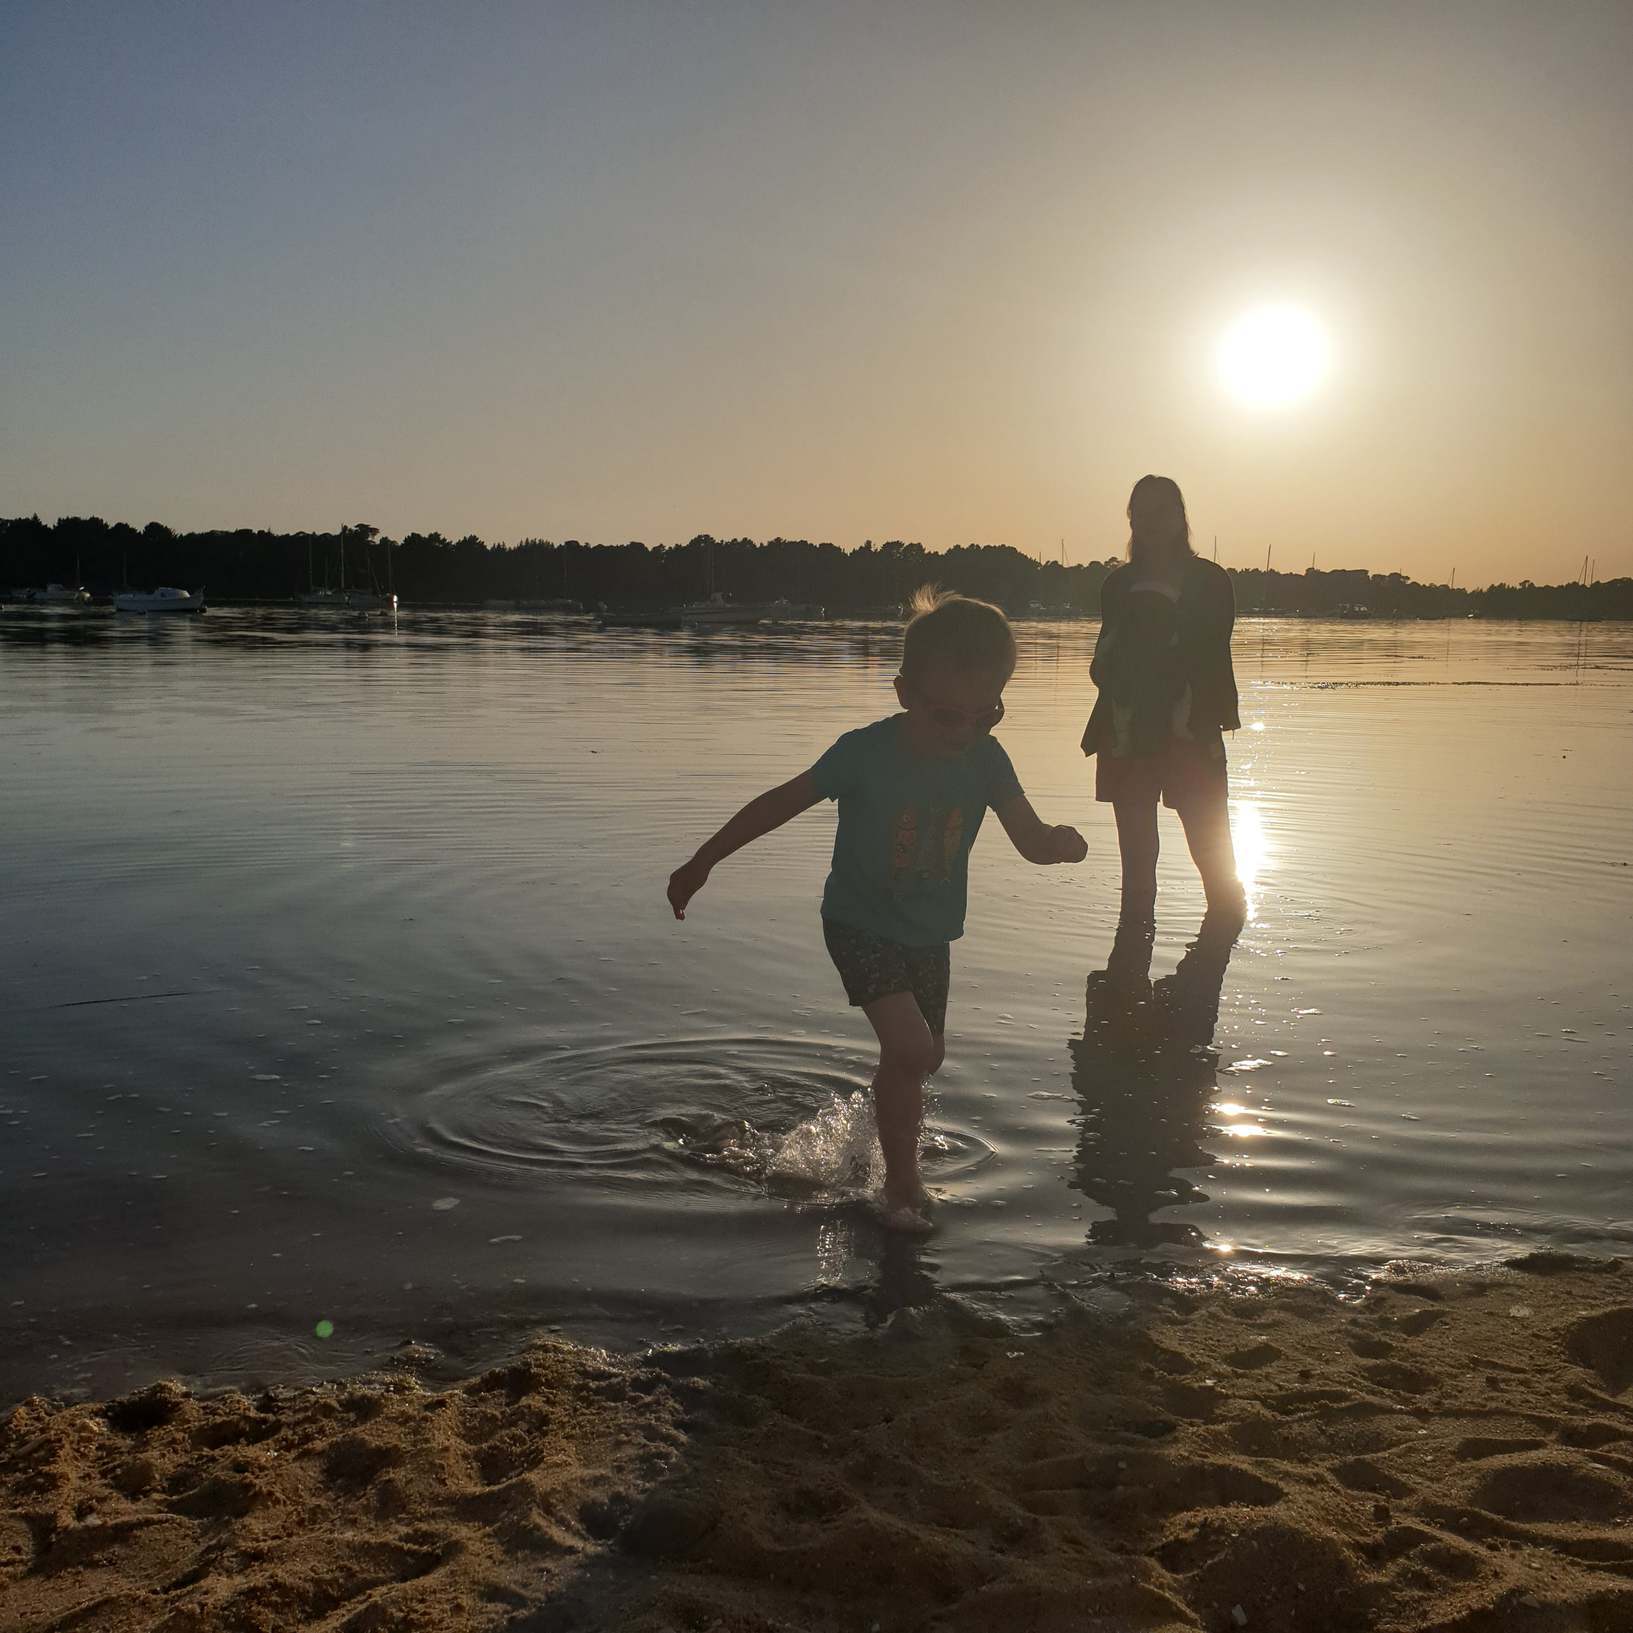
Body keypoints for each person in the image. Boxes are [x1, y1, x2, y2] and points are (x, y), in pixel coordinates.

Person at [668, 587, 1088, 1231]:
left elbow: (1027, 839)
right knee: (913, 1049)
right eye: (949, 716)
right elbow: (779, 802)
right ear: (905, 694)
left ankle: (867, 1146)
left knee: (918, 1059)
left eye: (988, 715)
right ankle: (900, 1186)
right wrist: (704, 860)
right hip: (859, 922)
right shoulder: (864, 752)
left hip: (930, 934)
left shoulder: (986, 759)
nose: (968, 731)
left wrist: (1056, 846)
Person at [1082, 475, 1246, 924]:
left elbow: (1210, 656)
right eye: (1141, 512)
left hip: (1189, 732)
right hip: (1126, 733)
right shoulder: (1117, 585)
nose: (1150, 521)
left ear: (1180, 518)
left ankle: (1211, 964)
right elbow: (1107, 658)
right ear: (1131, 519)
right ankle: (1128, 975)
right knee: (1137, 874)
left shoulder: (1210, 581)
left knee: (1217, 869)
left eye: (1161, 511)